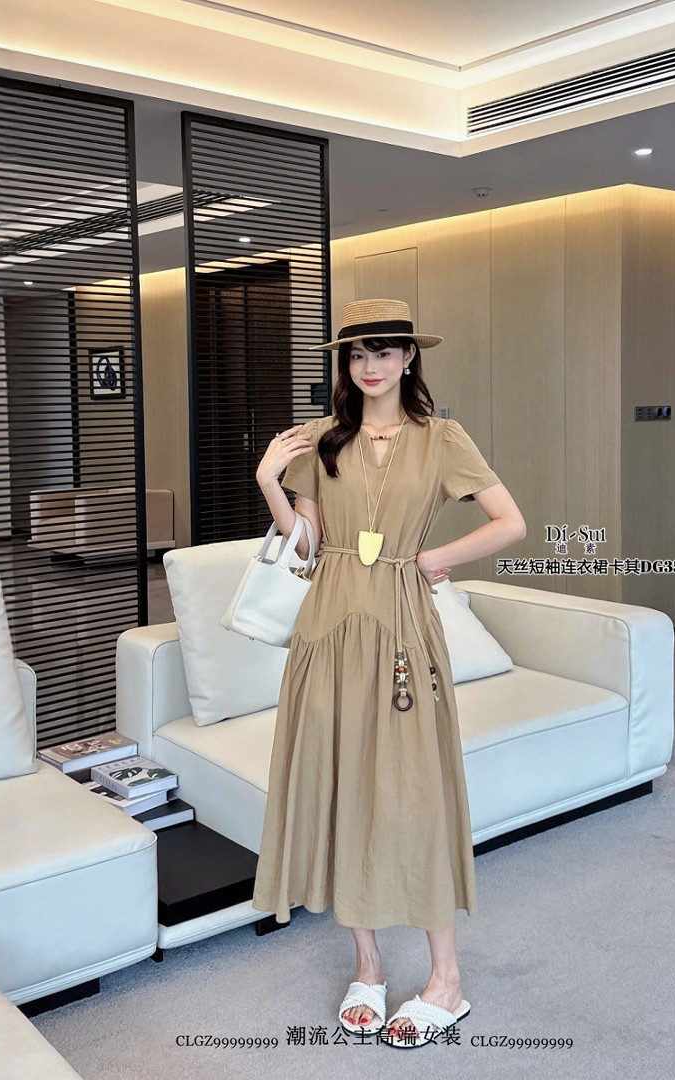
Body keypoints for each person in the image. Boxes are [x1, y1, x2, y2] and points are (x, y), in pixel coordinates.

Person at [250, 298, 526, 1048]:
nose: (369, 366)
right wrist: (271, 481)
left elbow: (510, 522)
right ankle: (367, 966)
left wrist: (435, 557)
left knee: (414, 794)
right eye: (356, 353)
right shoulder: (323, 440)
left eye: (383, 351)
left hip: (403, 627)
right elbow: (306, 548)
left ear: (409, 358)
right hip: (328, 628)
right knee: (344, 784)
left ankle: (447, 981)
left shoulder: (442, 439)